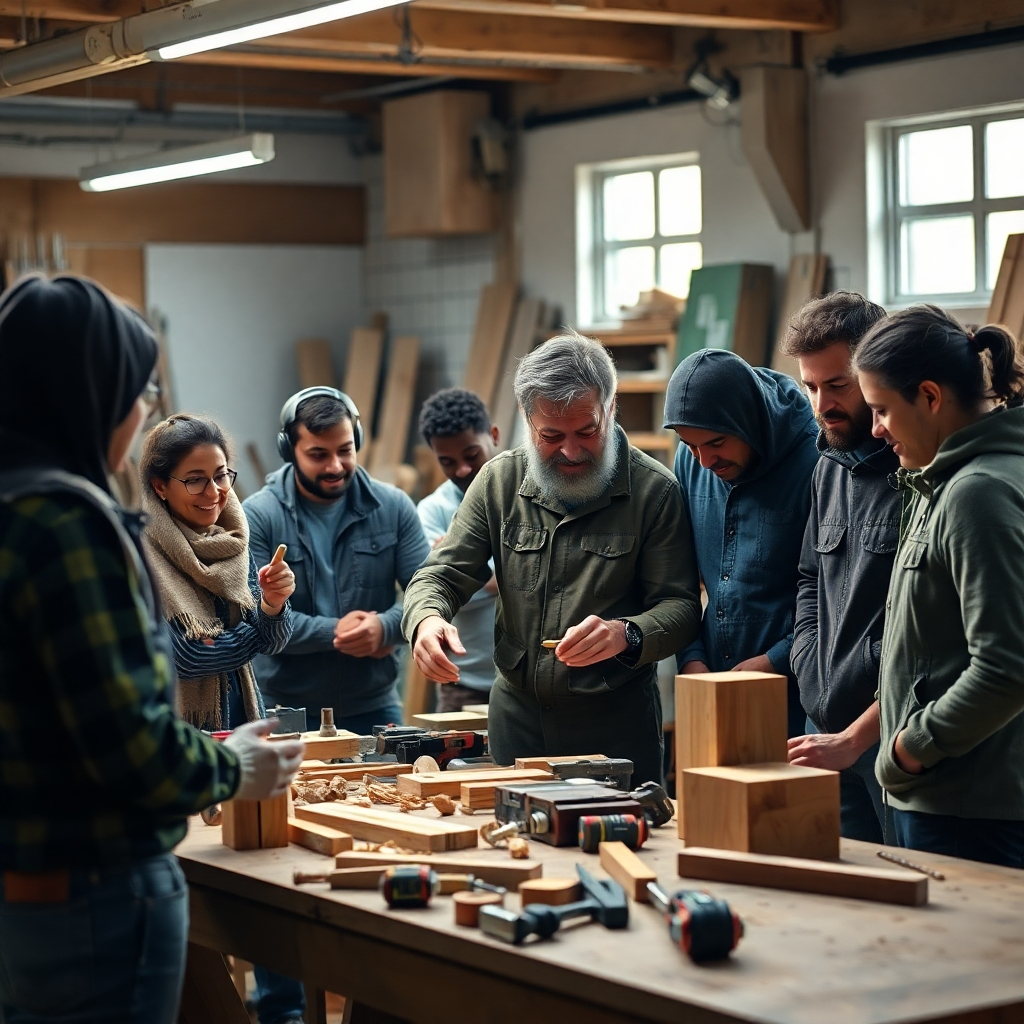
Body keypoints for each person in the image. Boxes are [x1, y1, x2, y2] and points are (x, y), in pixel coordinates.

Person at [0, 275, 303, 1024]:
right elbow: (130, 744)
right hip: (92, 897)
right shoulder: (69, 524)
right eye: (136, 393)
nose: (138, 415)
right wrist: (234, 765)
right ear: (87, 394)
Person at [403, 331, 702, 785]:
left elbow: (680, 606)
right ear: (526, 419)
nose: (571, 450)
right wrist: (426, 621)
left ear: (611, 407)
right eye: (551, 435)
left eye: (587, 431)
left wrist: (628, 633)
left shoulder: (654, 493)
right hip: (517, 725)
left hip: (616, 730)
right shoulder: (498, 483)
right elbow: (440, 575)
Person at [140, 413, 305, 1024]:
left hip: (238, 721)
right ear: (160, 486)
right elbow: (183, 656)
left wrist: (273, 603)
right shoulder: (145, 553)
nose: (215, 494)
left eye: (222, 477)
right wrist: (257, 628)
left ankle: (282, 1011)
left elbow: (272, 638)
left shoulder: (232, 540)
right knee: (203, 896)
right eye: (195, 481)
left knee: (265, 874)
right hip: (184, 744)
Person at [853, 305, 1024, 868]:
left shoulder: (978, 492)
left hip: (964, 809)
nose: (876, 429)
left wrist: (911, 749)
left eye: (882, 410)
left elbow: (1007, 666)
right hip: (948, 797)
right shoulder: (945, 481)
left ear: (929, 396)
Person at [778, 293, 897, 843]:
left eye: (837, 385)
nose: (822, 403)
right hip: (819, 725)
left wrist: (863, 722)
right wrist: (807, 658)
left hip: (887, 734)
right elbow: (808, 578)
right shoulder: (826, 466)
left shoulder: (912, 468)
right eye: (811, 387)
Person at [243, 387, 429, 733]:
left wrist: (383, 628)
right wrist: (334, 632)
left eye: (345, 450)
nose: (335, 466)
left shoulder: (394, 507)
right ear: (289, 451)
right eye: (318, 454)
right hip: (283, 708)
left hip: (373, 703)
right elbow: (254, 618)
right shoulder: (258, 516)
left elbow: (428, 593)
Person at [663, 349, 819, 737]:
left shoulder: (817, 462)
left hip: (798, 693)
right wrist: (692, 658)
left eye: (716, 442)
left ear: (748, 420)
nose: (703, 461)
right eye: (690, 444)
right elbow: (681, 579)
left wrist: (774, 660)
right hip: (712, 685)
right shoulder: (692, 460)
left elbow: (830, 594)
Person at [417, 389, 502, 713]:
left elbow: (546, 584)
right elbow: (439, 593)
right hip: (462, 684)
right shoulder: (432, 511)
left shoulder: (527, 496)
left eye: (472, 455)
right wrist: (508, 573)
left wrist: (466, 572)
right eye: (447, 462)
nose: (463, 470)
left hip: (529, 682)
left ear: (493, 435)